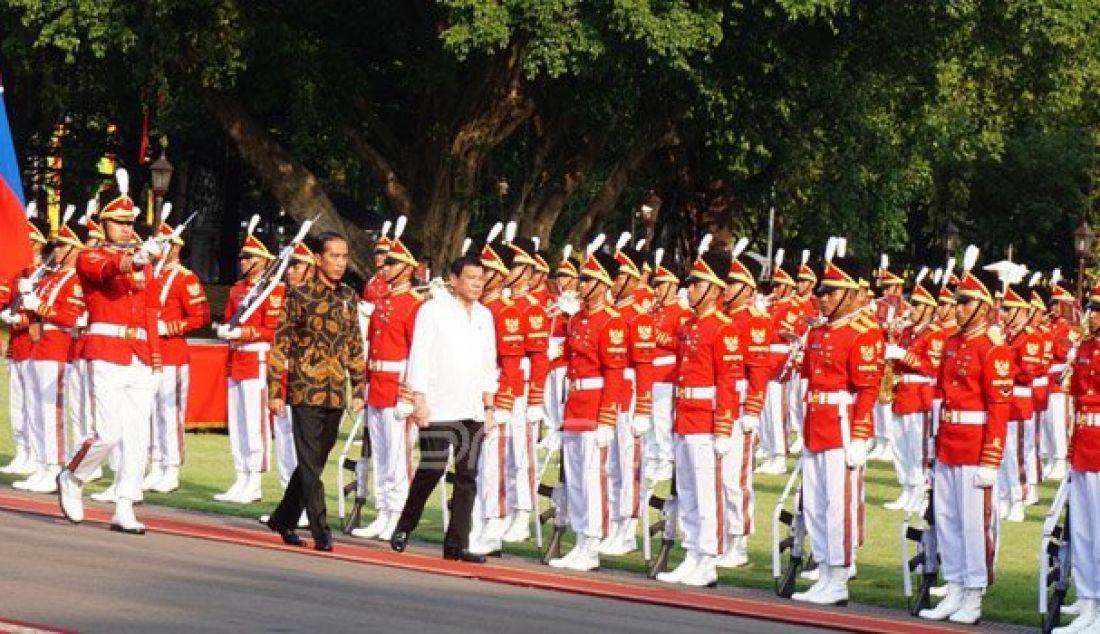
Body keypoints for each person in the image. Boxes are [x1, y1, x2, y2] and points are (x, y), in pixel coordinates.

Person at [57, 168, 165, 534]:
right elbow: (105, 271)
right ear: (104, 224)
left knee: (137, 436)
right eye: (117, 222)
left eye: (129, 222)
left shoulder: (143, 259)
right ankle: (73, 476)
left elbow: (151, 310)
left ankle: (125, 504)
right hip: (105, 350)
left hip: (139, 353)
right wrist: (134, 260)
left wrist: (155, 356)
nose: (124, 228)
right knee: (107, 434)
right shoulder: (90, 255)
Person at [919, 257, 1012, 624]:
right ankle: (955, 585)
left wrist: (991, 458)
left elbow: (998, 408)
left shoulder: (992, 348)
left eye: (966, 302)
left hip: (975, 446)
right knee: (948, 519)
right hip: (950, 442)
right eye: (957, 302)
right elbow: (943, 395)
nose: (958, 309)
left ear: (984, 306)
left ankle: (974, 592)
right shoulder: (952, 343)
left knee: (974, 523)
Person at [390, 254, 498, 562]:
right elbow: (419, 356)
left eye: (481, 279)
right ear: (453, 279)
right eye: (471, 278)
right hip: (438, 406)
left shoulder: (484, 316)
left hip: (472, 408)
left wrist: (489, 405)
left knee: (467, 476)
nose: (477, 284)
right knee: (432, 469)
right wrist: (418, 399)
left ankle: (457, 543)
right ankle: (405, 523)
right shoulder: (433, 310)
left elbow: (489, 361)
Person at [790, 245, 882, 606]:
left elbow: (867, 389)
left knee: (838, 504)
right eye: (821, 292)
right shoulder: (820, 332)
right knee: (815, 503)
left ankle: (840, 575)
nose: (822, 299)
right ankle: (825, 569)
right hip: (817, 422)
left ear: (848, 293)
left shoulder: (863, 333)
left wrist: (860, 435)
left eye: (829, 293)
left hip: (842, 425)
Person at [265, 232, 365, 552]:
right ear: (319, 259)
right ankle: (321, 529)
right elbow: (280, 344)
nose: (339, 263)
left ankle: (283, 518)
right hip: (305, 388)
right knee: (309, 462)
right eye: (333, 256)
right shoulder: (300, 294)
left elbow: (354, 345)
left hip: (335, 390)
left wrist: (359, 387)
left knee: (316, 461)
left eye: (344, 257)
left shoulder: (349, 296)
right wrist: (275, 390)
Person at [547, 242, 627, 572]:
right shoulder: (578, 318)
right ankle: (581, 539)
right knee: (577, 478)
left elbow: (615, 373)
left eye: (588, 279)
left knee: (593, 477)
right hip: (576, 403)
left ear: (604, 284)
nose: (580, 285)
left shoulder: (612, 321)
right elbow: (571, 358)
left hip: (595, 406)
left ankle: (592, 544)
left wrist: (608, 418)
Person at [350, 221, 423, 541]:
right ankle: (383, 511)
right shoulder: (383, 301)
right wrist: (362, 386)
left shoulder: (415, 305)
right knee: (380, 454)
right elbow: (371, 346)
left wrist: (408, 395)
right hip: (377, 383)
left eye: (393, 262)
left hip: (397, 385)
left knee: (398, 456)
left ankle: (398, 514)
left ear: (407, 268)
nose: (385, 266)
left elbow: (417, 355)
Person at [11, 216, 86, 493]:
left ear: (75, 249)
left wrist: (39, 306)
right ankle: (42, 465)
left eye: (63, 245)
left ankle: (55, 466)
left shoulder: (75, 281)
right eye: (56, 245)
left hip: (57, 347)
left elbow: (71, 316)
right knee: (35, 410)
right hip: (38, 346)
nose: (56, 250)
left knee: (50, 411)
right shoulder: (51, 277)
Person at [214, 219, 284, 504]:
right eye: (242, 257)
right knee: (239, 422)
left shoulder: (273, 291)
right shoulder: (237, 290)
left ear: (264, 260)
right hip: (237, 358)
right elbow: (231, 317)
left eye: (249, 258)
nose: (243, 262)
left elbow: (273, 329)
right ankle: (240, 475)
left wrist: (243, 332)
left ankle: (254, 479)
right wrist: (227, 331)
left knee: (255, 423)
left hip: (257, 358)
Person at [142, 212, 210, 494]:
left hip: (172, 353)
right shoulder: (151, 275)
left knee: (170, 413)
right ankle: (156, 463)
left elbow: (200, 316)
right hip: (150, 353)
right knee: (152, 413)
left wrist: (169, 327)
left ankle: (172, 468)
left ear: (176, 247)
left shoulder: (186, 278)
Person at [1061, 285, 1100, 633]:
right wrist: (1072, 453)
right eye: (1092, 308)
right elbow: (1076, 401)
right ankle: (1088, 602)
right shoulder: (1086, 349)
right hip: (1086, 445)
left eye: (1098, 309)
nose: (1093, 314)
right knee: (1084, 532)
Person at [0, 209, 48, 476]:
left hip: (34, 344)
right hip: (16, 347)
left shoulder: (45, 272)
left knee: (33, 403)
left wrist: (19, 318)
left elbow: (43, 312)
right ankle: (22, 450)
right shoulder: (18, 271)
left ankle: (34, 452)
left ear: (39, 243)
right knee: (17, 403)